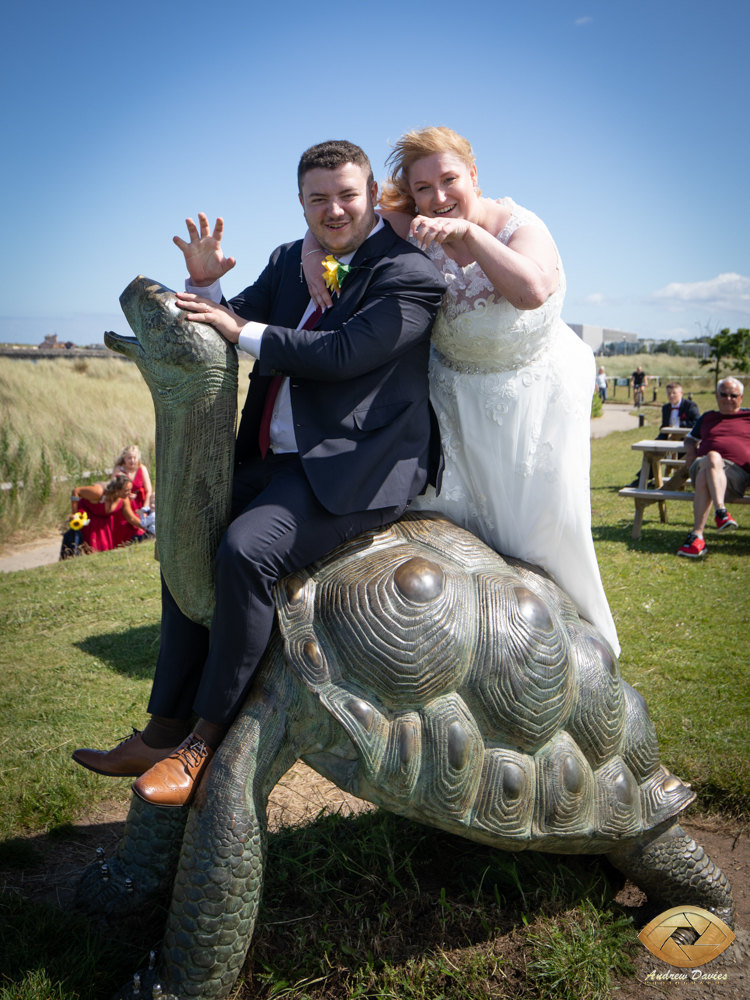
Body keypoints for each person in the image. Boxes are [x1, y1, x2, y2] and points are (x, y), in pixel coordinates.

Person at [72, 140, 446, 806]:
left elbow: (340, 354)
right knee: (184, 531)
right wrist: (207, 285)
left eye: (347, 195)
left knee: (246, 551)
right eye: (318, 198)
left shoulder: (408, 274)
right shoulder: (286, 260)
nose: (334, 210)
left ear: (371, 196)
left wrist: (237, 322)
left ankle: (203, 743)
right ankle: (163, 727)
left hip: (354, 470)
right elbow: (223, 322)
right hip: (273, 460)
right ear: (301, 202)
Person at [303, 126, 619, 655]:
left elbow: (531, 292)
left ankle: (569, 657)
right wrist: (315, 253)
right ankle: (479, 650)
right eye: (423, 188)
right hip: (452, 402)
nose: (438, 197)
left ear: (473, 174)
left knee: (539, 538)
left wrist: (470, 237)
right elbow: (341, 220)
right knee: (460, 540)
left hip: (532, 400)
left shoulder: (521, 226)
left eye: (449, 180)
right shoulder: (412, 222)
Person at [677, 377, 749, 558]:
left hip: (736, 475)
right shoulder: (707, 417)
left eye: (733, 395)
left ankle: (697, 537)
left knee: (705, 476)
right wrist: (691, 451)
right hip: (702, 463)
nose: (728, 398)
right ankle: (721, 512)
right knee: (712, 457)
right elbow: (690, 438)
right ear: (717, 396)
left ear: (741, 397)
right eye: (724, 394)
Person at [64, 475, 142, 555]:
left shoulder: (123, 499)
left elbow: (131, 518)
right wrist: (74, 514)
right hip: (89, 520)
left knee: (104, 552)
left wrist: (147, 527)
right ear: (116, 489)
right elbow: (76, 491)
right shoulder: (98, 492)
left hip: (104, 526)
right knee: (87, 551)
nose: (130, 493)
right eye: (127, 490)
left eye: (130, 489)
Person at [113, 445, 153, 509]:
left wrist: (145, 509)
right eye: (129, 458)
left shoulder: (142, 469)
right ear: (124, 458)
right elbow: (112, 489)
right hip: (122, 508)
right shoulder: (118, 469)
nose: (132, 460)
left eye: (135, 458)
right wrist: (125, 495)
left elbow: (148, 491)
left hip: (139, 508)